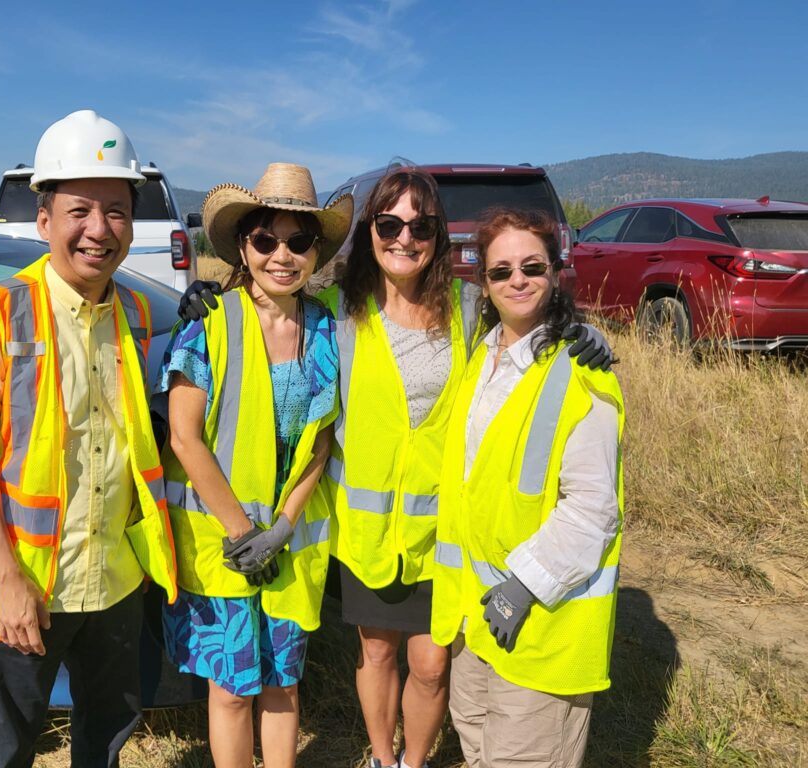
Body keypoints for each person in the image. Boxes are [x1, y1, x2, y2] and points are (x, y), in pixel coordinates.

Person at [179, 168, 613, 768]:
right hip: (367, 537)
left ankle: (414, 761)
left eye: (420, 225)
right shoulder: (336, 309)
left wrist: (581, 331)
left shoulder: (467, 309)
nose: (404, 238)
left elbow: (528, 321)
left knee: (432, 665)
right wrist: (203, 298)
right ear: (370, 232)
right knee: (377, 657)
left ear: (438, 236)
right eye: (388, 224)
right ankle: (383, 758)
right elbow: (270, 312)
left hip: (444, 536)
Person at [0, 109, 177, 768]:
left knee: (107, 735)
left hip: (115, 580)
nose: (99, 230)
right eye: (79, 211)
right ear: (44, 221)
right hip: (29, 585)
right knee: (5, 743)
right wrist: (7, 578)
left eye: (117, 211)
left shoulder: (134, 312)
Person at [157, 163, 351, 768]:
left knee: (283, 684)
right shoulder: (209, 324)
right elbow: (186, 440)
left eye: (298, 241)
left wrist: (286, 524)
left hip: (288, 547)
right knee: (233, 689)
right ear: (243, 245)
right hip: (225, 545)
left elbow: (323, 438)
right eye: (266, 240)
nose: (282, 256)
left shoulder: (327, 328)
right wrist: (245, 534)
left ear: (316, 251)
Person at [431, 207, 624, 768]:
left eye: (532, 267)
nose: (517, 280)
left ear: (556, 273)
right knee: (477, 740)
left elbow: (592, 511)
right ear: (483, 286)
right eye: (501, 271)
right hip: (479, 619)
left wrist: (525, 586)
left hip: (542, 622)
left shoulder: (583, 372)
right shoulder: (483, 358)